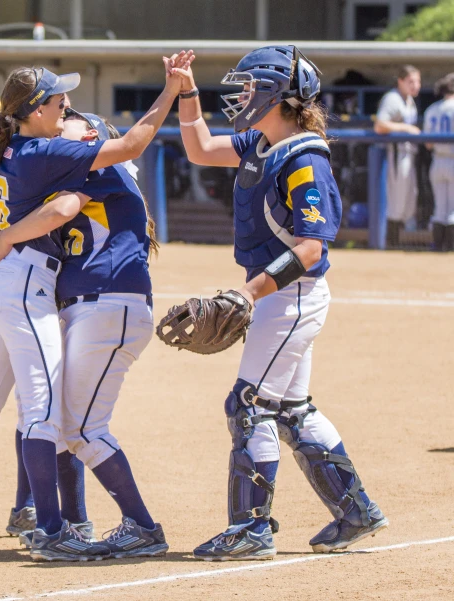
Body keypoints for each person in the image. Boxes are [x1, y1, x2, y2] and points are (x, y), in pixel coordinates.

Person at [0, 56, 191, 558]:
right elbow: (125, 152)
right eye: (56, 101)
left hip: (4, 285)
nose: (66, 106)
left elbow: (64, 202)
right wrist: (171, 90)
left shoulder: (8, 148)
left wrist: (8, 234)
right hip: (25, 285)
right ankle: (51, 530)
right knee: (43, 410)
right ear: (31, 110)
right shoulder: (39, 150)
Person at [166, 46, 388, 560]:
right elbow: (199, 148)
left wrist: (248, 292)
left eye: (249, 87)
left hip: (291, 296)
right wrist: (187, 90)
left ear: (275, 95)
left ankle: (249, 529)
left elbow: (311, 249)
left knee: (247, 406)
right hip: (279, 295)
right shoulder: (262, 141)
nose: (241, 95)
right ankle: (357, 511)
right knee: (289, 409)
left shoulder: (305, 157)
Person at [0, 108, 168, 559]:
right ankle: (75, 522)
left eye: (67, 121)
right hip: (96, 305)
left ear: (88, 135)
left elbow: (61, 209)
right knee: (67, 422)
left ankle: (143, 527)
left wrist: (7, 235)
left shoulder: (95, 165)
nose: (58, 126)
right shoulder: (93, 166)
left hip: (108, 304)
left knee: (82, 428)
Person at [0, 144, 91, 547]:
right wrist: (14, 242)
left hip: (28, 291)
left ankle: (26, 507)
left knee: (34, 401)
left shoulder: (52, 164)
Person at [374, 65, 422, 247]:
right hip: (394, 154)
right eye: (411, 81)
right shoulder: (392, 98)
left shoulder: (409, 100)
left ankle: (398, 243)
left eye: (418, 81)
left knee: (408, 201)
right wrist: (406, 128)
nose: (416, 85)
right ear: (400, 81)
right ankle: (390, 243)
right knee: (396, 201)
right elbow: (379, 125)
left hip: (407, 153)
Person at [423, 73, 454, 251]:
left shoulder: (432, 109)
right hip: (452, 160)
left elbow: (427, 144)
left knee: (440, 208)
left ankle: (439, 248)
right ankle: (450, 249)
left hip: (437, 161)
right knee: (452, 209)